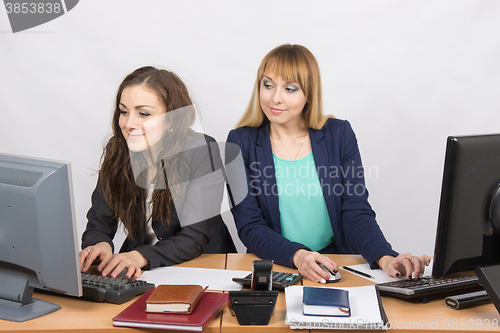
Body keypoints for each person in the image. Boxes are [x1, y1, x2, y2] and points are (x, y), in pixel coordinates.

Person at [226, 44, 430, 283]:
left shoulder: (339, 135)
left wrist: (384, 257)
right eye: (268, 85)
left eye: (290, 89)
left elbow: (355, 212)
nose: (275, 98)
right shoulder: (239, 142)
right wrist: (298, 256)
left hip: (333, 264)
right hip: (278, 265)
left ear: (309, 94)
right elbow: (250, 226)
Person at [80, 66, 235, 279]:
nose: (129, 123)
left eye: (143, 113)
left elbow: (194, 237)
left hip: (202, 266)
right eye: (124, 111)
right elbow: (99, 222)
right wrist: (99, 245)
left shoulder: (201, 150)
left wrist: (139, 256)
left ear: (172, 119)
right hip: (141, 269)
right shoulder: (117, 149)